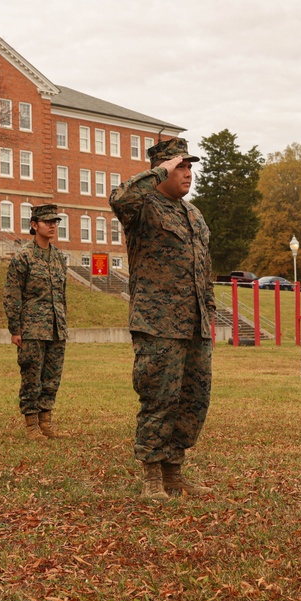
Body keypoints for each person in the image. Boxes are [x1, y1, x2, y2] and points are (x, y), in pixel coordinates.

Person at [109, 137, 215, 502]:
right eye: (179, 167)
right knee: (160, 398)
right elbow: (119, 197)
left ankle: (174, 471)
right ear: (161, 170)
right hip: (158, 324)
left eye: (189, 167)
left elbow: (204, 268)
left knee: (193, 399)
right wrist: (157, 172)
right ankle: (152, 476)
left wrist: (210, 312)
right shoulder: (143, 208)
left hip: (195, 324)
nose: (187, 173)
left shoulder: (194, 215)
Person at [3, 204, 68, 441]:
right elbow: (12, 294)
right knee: (32, 376)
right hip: (32, 329)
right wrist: (16, 329)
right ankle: (31, 425)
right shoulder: (23, 257)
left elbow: (62, 294)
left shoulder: (59, 257)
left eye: (55, 222)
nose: (52, 225)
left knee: (52, 377)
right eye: (47, 221)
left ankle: (46, 422)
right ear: (34, 225)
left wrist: (63, 324)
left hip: (56, 328)